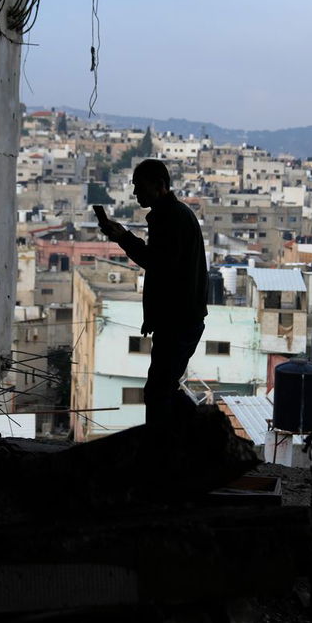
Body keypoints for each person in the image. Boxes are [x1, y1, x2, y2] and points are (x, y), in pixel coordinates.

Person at [97, 159, 208, 432]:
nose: (136, 194)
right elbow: (166, 271)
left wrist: (123, 237)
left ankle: (179, 440)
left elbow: (158, 264)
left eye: (140, 187)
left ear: (159, 185)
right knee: (162, 388)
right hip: (179, 318)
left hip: (179, 320)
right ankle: (191, 435)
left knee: (159, 391)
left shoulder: (169, 217)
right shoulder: (174, 214)